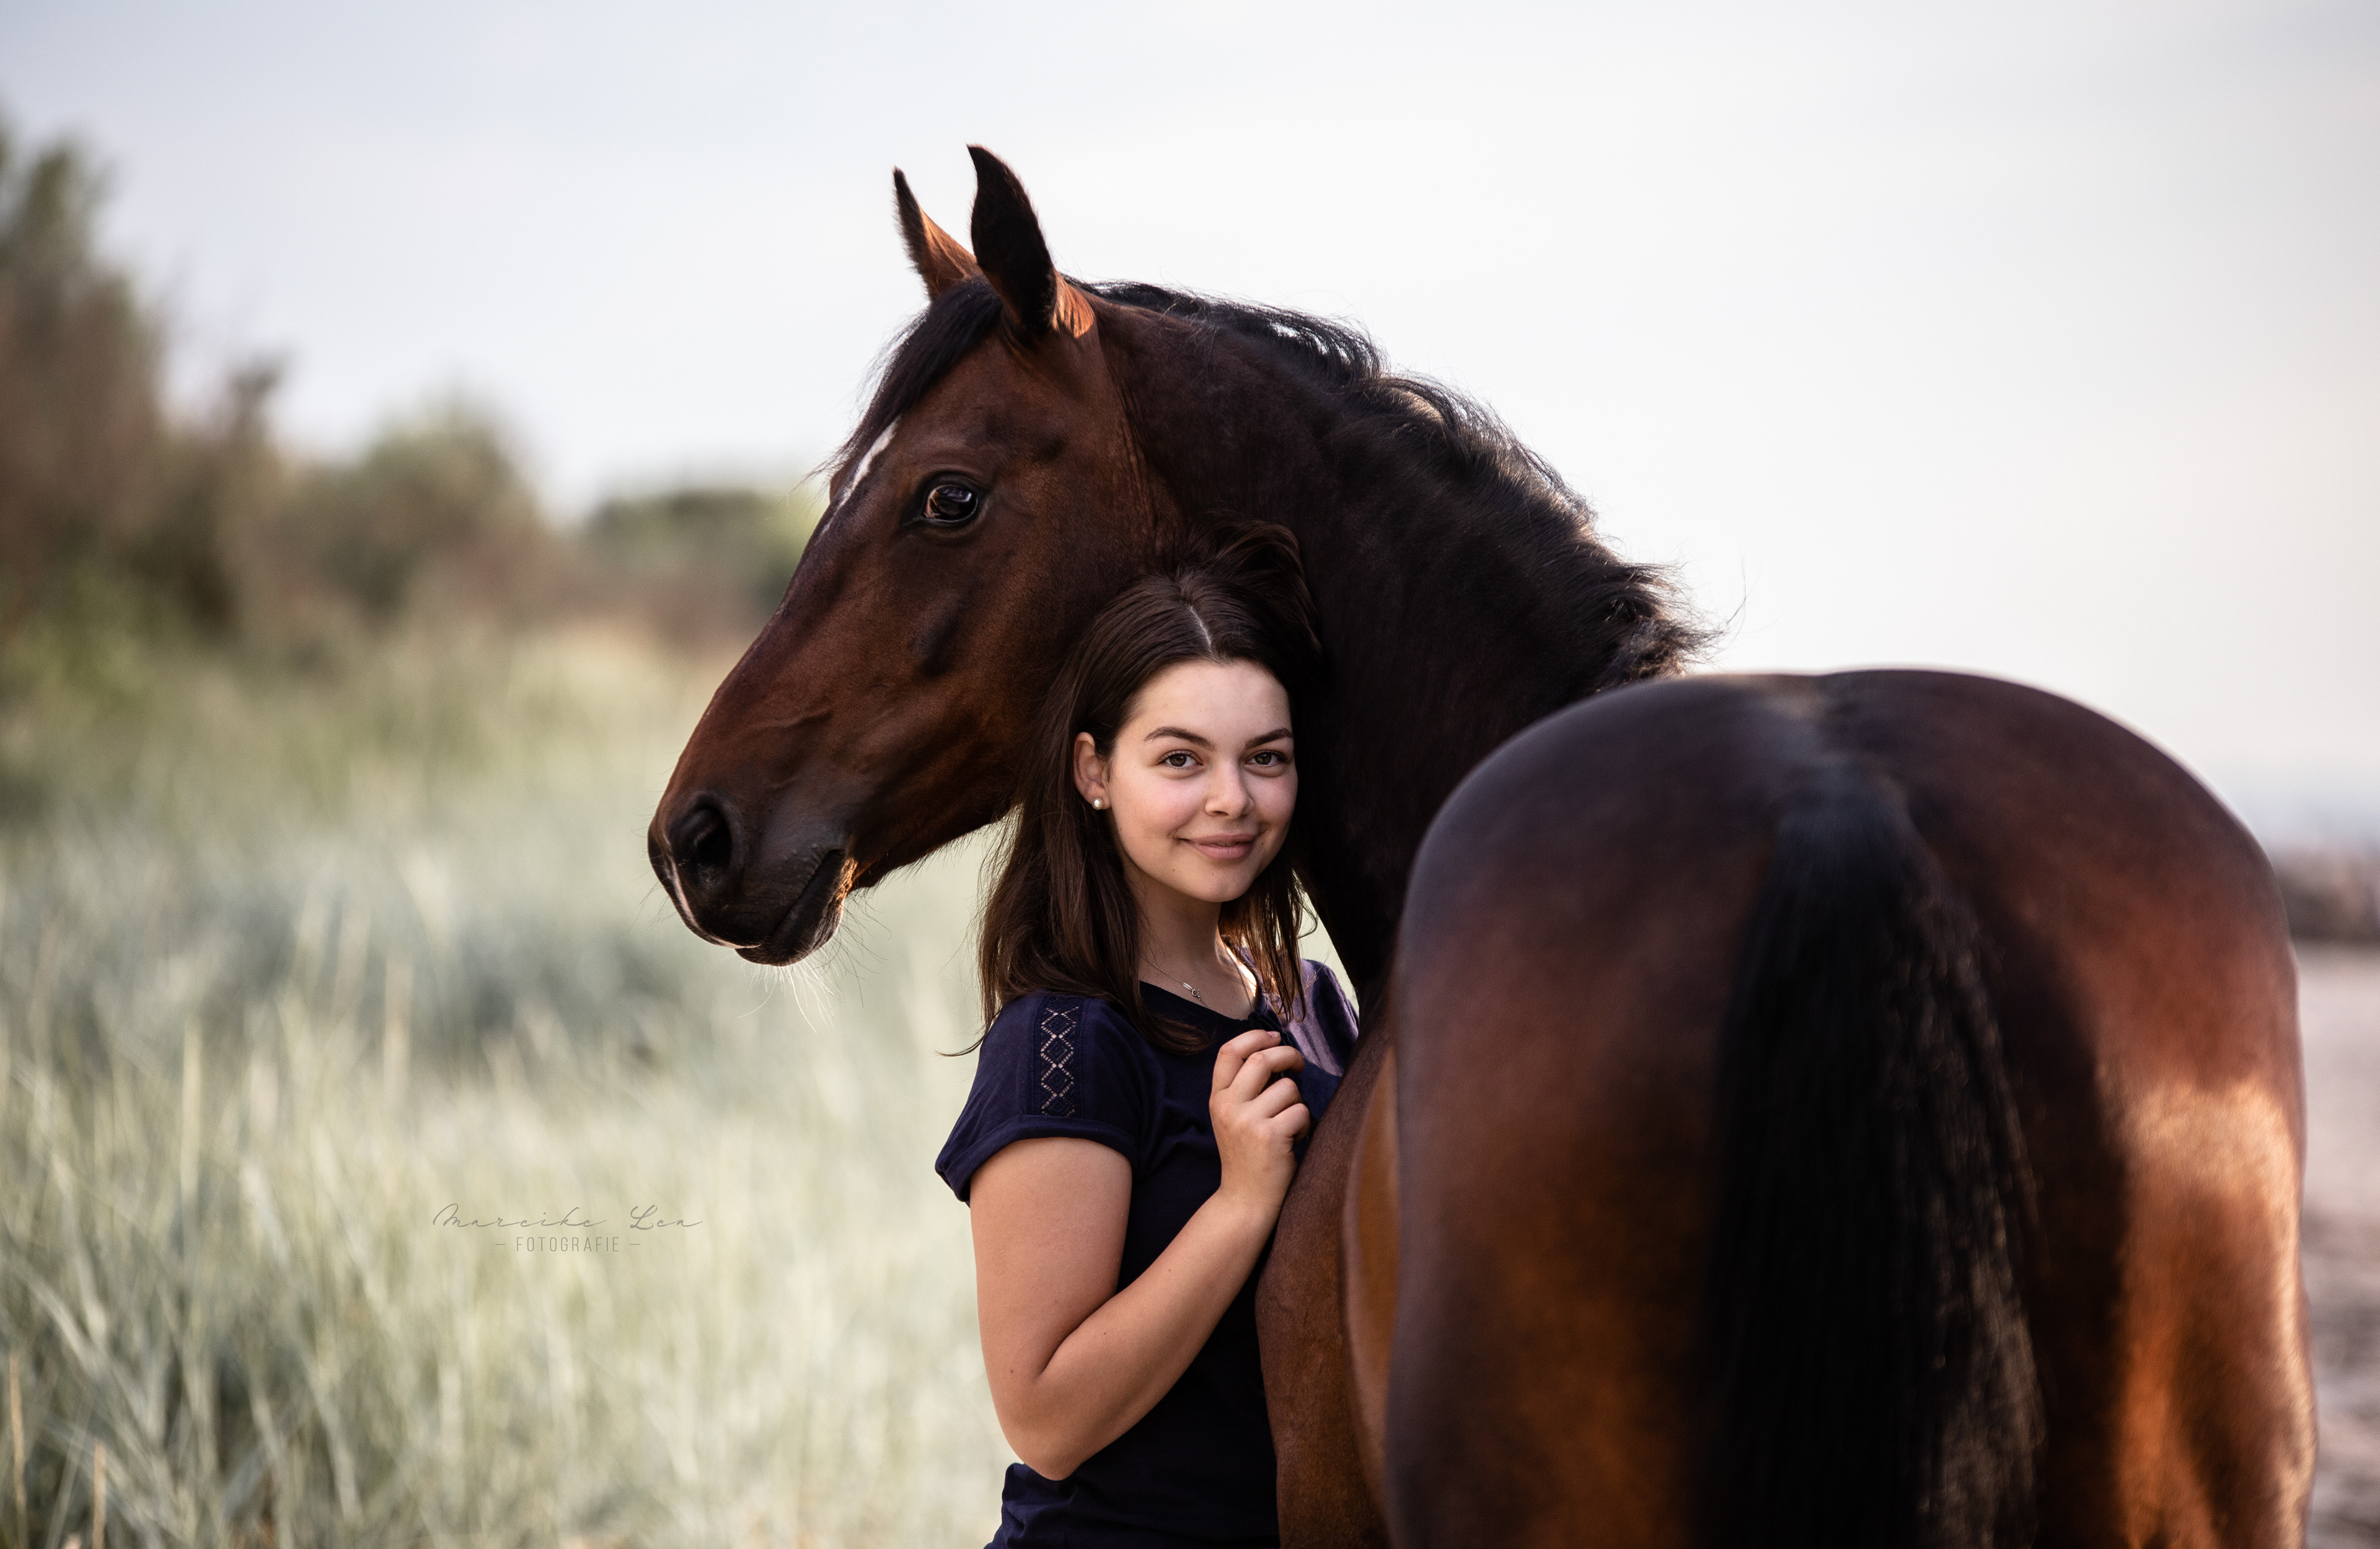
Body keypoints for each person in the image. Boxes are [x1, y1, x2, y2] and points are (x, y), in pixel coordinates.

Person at [936, 529, 1361, 1548]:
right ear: (1093, 771)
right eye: (1180, 759)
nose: (1232, 800)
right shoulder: (1067, 1040)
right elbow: (1046, 1421)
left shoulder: (1313, 1003)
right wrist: (1242, 1202)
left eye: (1267, 759)